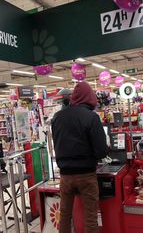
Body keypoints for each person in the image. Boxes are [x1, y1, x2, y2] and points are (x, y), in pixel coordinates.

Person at [51, 82, 108, 233]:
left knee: (64, 215)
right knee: (90, 218)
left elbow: (57, 143)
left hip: (65, 176)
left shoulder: (57, 117)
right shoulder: (91, 117)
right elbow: (101, 151)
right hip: (86, 176)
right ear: (90, 97)